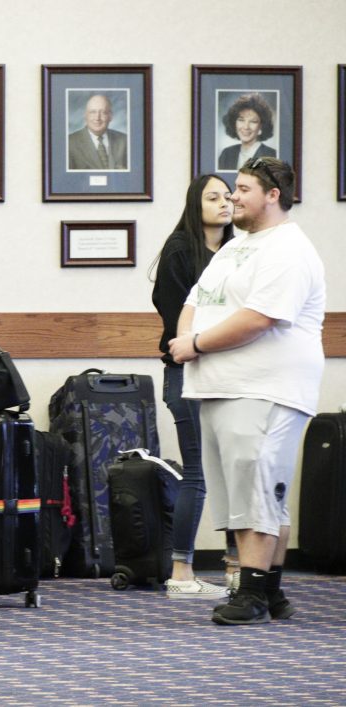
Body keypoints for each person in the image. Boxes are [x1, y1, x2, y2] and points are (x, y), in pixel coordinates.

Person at [170, 157, 325, 625]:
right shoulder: (238, 248)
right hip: (220, 386)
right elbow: (196, 299)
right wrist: (185, 342)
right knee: (242, 492)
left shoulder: (289, 250)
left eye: (242, 189)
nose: (233, 197)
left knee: (259, 490)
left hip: (265, 387)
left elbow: (260, 319)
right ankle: (271, 593)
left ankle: (252, 593)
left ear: (272, 194)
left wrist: (194, 344)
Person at [151, 174, 238, 599]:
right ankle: (182, 571)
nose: (225, 203)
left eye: (229, 196)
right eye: (213, 197)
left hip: (233, 373)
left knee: (233, 472)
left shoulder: (239, 252)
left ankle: (238, 566)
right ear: (194, 203)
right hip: (188, 372)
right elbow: (176, 323)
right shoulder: (180, 251)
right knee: (199, 473)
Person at [67, 93, 128, 171]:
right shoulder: (69, 143)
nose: (97, 118)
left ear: (110, 116)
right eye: (93, 112)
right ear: (85, 116)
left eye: (103, 112)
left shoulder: (125, 140)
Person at [217, 93, 277, 171]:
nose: (246, 127)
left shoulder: (272, 156)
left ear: (261, 127)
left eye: (253, 121)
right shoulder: (226, 153)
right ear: (234, 123)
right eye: (241, 120)